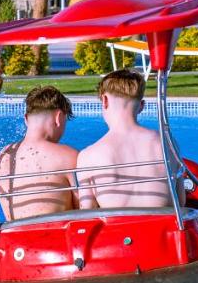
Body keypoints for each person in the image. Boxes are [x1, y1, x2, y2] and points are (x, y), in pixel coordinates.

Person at [75, 69, 181, 210]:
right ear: (141, 106)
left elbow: (87, 210)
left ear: (105, 100)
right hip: (163, 222)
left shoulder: (88, 156)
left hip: (117, 224)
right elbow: (180, 200)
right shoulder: (167, 144)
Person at [0, 86, 79, 220]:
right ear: (58, 118)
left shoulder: (4, 155)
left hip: (14, 231)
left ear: (26, 119)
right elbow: (85, 209)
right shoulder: (69, 156)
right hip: (54, 232)